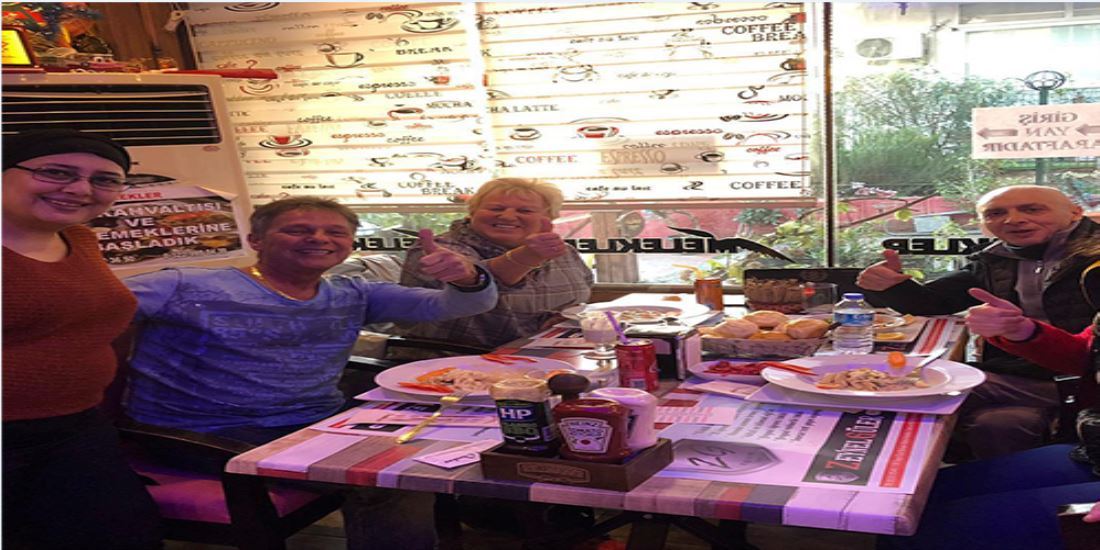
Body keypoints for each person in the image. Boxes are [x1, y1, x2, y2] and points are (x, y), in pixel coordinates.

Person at [122, 196, 497, 549]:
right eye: (298, 230)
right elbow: (93, 305)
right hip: (200, 434)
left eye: (335, 232)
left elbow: (456, 304)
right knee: (391, 480)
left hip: (315, 423)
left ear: (349, 243)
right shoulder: (183, 286)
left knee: (447, 440)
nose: (319, 238)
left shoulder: (353, 292)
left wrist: (467, 278)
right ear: (256, 240)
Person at [3, 129, 163, 549]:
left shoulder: (79, 239)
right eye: (56, 172)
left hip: (77, 428)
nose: (80, 189)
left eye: (104, 179)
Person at [857, 185, 1100, 459]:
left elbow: (1084, 355)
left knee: (906, 387)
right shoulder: (996, 258)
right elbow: (934, 303)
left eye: (1032, 209)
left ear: (1075, 213)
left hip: (1077, 381)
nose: (1013, 219)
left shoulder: (1094, 262)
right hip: (1022, 374)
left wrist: (1020, 331)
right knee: (997, 425)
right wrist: (889, 286)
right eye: (996, 213)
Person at [878, 283, 1100, 550]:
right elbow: (1087, 357)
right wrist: (1022, 331)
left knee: (923, 531)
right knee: (906, 504)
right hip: (1091, 450)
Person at [399, 178, 593, 348]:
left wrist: (561, 319)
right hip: (455, 362)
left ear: (548, 218)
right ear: (472, 212)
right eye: (496, 209)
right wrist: (528, 256)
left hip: (550, 354)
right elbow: (477, 285)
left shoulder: (564, 251)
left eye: (524, 210)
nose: (508, 216)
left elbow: (579, 296)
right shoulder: (437, 250)